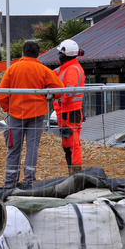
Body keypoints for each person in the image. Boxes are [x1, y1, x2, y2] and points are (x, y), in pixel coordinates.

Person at [0, 41, 64, 189]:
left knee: (14, 148)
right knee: (32, 148)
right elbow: (59, 90)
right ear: (38, 54)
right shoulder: (43, 70)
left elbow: (1, 94)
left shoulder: (12, 69)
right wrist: (48, 96)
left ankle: (10, 182)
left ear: (23, 53)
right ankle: (29, 181)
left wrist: (7, 108)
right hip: (37, 114)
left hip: (15, 114)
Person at [54, 40, 86, 175]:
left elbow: (69, 90)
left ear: (65, 55)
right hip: (66, 111)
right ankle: (72, 173)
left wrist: (53, 96)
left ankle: (76, 174)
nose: (58, 56)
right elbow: (52, 74)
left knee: (73, 144)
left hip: (70, 111)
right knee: (68, 144)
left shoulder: (72, 69)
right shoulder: (66, 67)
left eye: (60, 53)